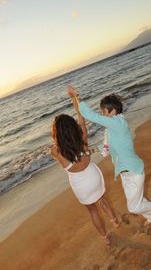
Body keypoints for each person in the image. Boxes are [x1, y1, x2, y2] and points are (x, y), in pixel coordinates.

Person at [68, 86, 151, 225]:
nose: (102, 114)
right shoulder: (112, 129)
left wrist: (77, 97)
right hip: (124, 173)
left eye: (104, 112)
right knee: (138, 201)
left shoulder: (118, 123)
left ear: (113, 111)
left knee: (133, 207)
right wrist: (90, 151)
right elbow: (108, 148)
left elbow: (90, 115)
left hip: (134, 171)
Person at [50, 87, 120, 245]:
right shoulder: (82, 137)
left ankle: (105, 238)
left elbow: (58, 146)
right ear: (73, 127)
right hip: (93, 176)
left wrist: (59, 137)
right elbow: (81, 117)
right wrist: (74, 98)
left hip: (80, 185)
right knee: (103, 199)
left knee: (93, 210)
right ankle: (115, 221)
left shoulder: (55, 151)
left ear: (57, 133)